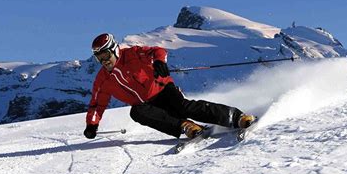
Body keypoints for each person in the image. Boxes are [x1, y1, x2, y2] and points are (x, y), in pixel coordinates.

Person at [83, 33, 255, 140]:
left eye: (105, 55)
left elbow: (158, 51)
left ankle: (236, 117)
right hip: (147, 104)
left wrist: (159, 62)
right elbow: (97, 104)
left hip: (163, 89)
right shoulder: (102, 80)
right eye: (99, 58)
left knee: (184, 107)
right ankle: (185, 126)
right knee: (136, 112)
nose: (104, 61)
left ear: (114, 49)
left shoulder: (133, 54)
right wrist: (92, 125)